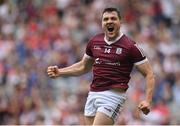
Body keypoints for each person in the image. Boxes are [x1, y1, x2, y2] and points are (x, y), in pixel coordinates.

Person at [47, 7, 155, 125]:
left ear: (120, 22)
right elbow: (83, 66)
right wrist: (60, 72)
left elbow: (149, 73)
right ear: (102, 23)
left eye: (113, 18)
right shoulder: (94, 41)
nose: (109, 21)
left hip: (113, 97)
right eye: (106, 19)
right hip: (93, 94)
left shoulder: (130, 46)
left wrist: (147, 101)